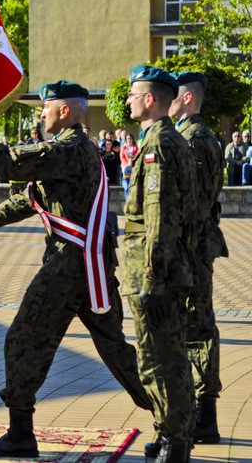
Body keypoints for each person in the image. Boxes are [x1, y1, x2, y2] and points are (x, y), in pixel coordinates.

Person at [0, 80, 152, 458]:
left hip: (68, 268)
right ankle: (177, 416)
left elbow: (4, 164)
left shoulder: (69, 149)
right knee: (115, 350)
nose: (40, 114)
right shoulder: (71, 151)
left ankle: (21, 434)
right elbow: (27, 202)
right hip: (87, 266)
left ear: (64, 111)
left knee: (23, 340)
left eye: (45, 108)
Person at [145, 71, 227, 457]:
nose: (171, 102)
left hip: (193, 245)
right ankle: (200, 415)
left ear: (188, 99)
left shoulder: (192, 138)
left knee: (195, 328)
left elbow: (190, 200)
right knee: (198, 325)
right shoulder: (204, 135)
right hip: (199, 242)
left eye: (175, 96)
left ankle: (201, 416)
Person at [122, 65, 197, 462]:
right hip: (164, 267)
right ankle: (171, 433)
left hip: (157, 271)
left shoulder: (159, 146)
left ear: (150, 99)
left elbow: (160, 217)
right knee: (166, 354)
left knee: (159, 359)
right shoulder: (164, 139)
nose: (129, 100)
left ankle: (177, 440)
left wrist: (151, 277)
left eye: (134, 94)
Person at [120, 133, 139, 200]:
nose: (129, 140)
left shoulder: (136, 147)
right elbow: (122, 157)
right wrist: (127, 164)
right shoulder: (123, 147)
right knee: (127, 186)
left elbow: (137, 157)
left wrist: (132, 163)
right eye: (128, 138)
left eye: (130, 138)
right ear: (126, 139)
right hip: (125, 165)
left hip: (134, 166)